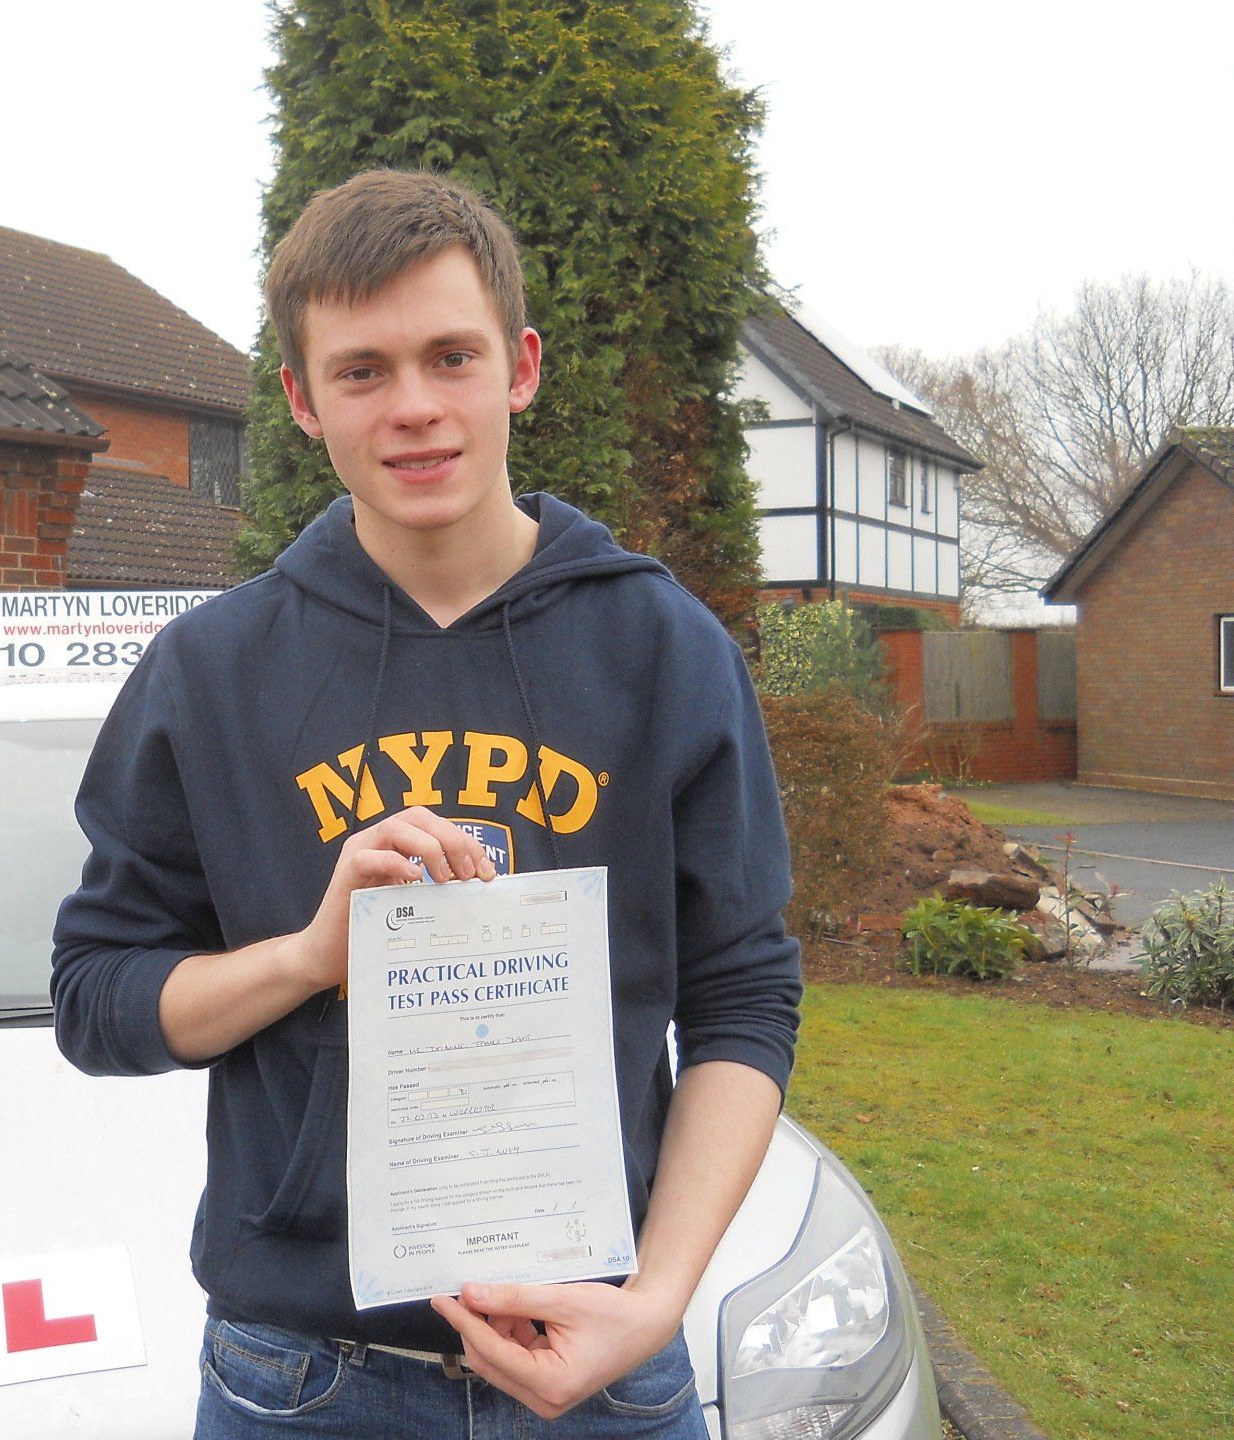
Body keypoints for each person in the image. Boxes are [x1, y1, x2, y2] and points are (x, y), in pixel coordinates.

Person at [51, 168, 801, 1436]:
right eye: (362, 370)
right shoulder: (213, 672)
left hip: (604, 1360)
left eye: (451, 356)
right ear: (300, 399)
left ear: (521, 367)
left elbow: (744, 992)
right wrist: (303, 957)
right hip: (303, 1379)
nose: (413, 408)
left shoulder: (663, 650)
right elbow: (96, 998)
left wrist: (662, 1297)